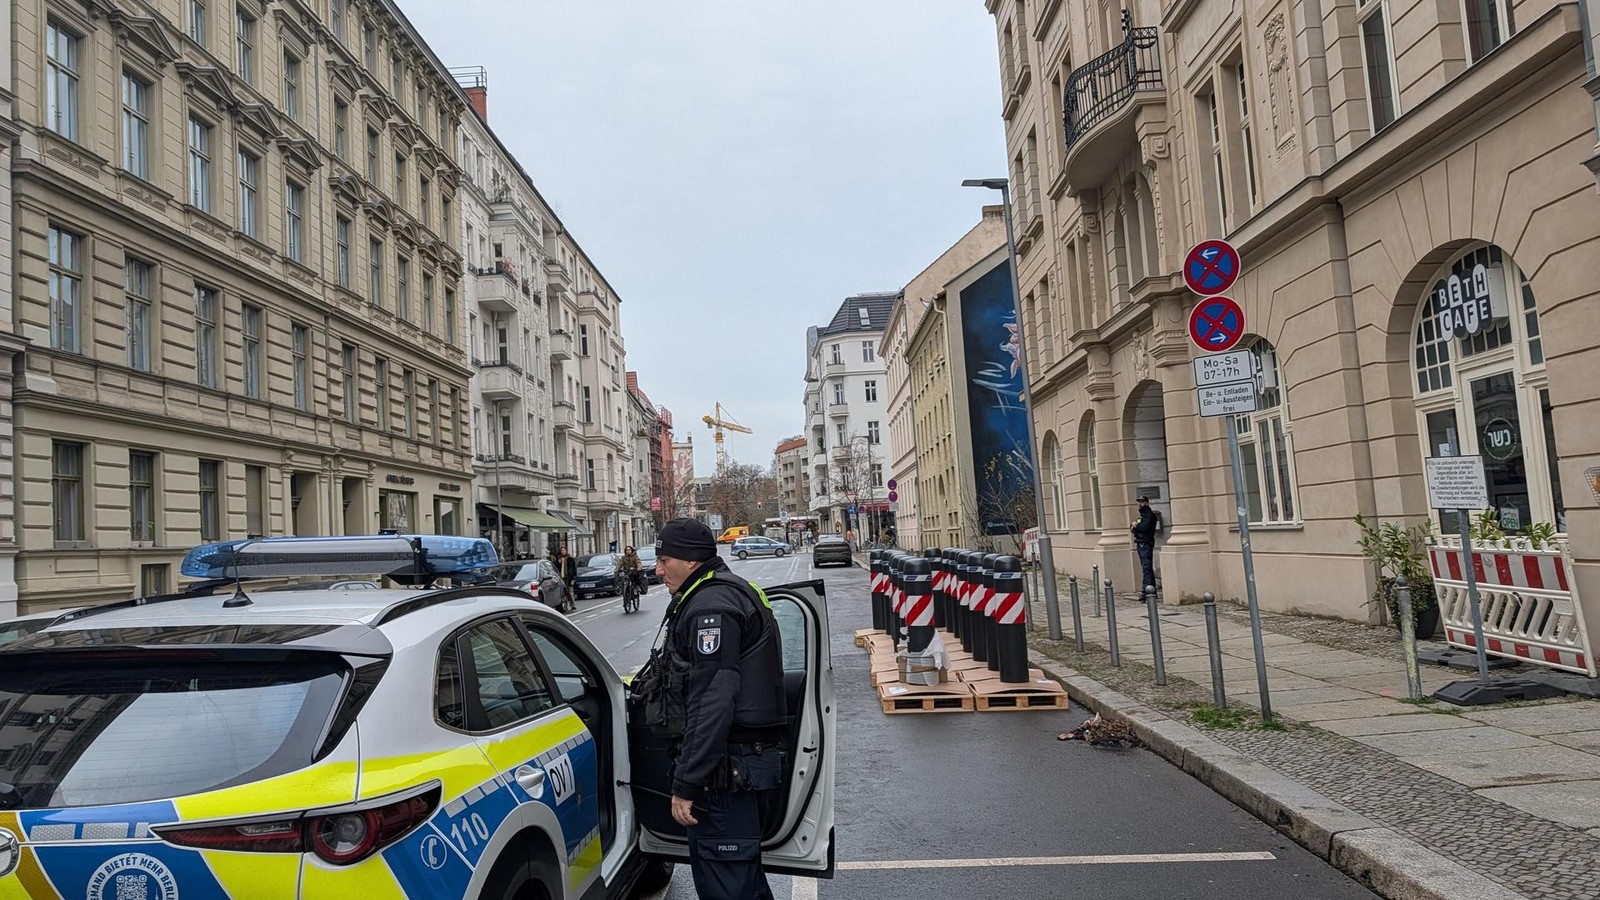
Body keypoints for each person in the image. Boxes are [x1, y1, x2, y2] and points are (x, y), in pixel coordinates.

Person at [646, 518, 786, 900]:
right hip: (737, 766)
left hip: (725, 774)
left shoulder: (711, 606)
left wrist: (687, 782)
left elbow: (712, 700)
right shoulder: (723, 592)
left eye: (665, 560)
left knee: (728, 888)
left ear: (691, 561)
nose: (658, 570)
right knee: (743, 885)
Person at [1131, 496, 1163, 593]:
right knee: (1145, 568)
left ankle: (1147, 591)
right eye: (1139, 502)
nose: (1140, 504)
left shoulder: (1149, 515)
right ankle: (1150, 590)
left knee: (1147, 568)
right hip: (1140, 543)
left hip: (1146, 543)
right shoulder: (1142, 516)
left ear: (1147, 503)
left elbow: (1145, 528)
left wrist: (1136, 526)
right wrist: (1134, 527)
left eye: (1142, 502)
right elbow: (1135, 529)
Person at [617, 545, 645, 611]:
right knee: (624, 583)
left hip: (634, 572)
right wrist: (617, 569)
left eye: (629, 550)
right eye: (627, 550)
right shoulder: (623, 558)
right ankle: (625, 598)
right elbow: (619, 564)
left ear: (631, 550)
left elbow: (638, 562)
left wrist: (638, 568)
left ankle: (636, 589)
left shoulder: (635, 556)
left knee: (635, 580)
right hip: (627, 572)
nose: (628, 551)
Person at [554, 546, 578, 613]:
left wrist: (574, 577)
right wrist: (558, 562)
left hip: (569, 577)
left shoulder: (570, 559)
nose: (563, 551)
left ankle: (573, 605)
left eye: (564, 550)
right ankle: (565, 606)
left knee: (570, 592)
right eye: (562, 550)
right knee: (564, 592)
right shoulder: (559, 559)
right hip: (562, 577)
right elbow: (556, 568)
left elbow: (574, 569)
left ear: (566, 551)